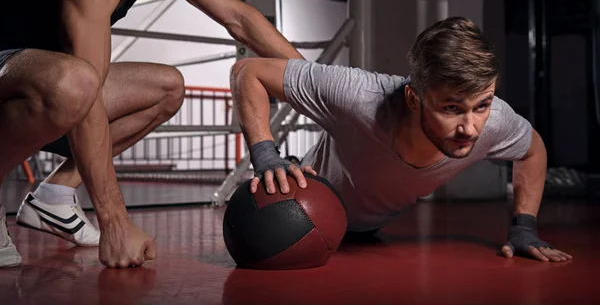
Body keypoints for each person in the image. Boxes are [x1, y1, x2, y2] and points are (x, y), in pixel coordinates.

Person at [0, 0, 303, 268]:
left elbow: (238, 17)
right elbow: (87, 90)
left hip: (52, 85)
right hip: (16, 73)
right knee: (77, 82)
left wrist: (319, 88)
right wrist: (115, 223)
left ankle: (55, 194)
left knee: (166, 87)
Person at [230, 16, 573, 263]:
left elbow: (533, 149)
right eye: (451, 108)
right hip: (299, 210)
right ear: (413, 98)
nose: (470, 127)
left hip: (366, 236)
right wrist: (265, 156)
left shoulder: (494, 119)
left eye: (481, 105)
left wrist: (524, 228)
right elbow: (249, 72)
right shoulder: (357, 94)